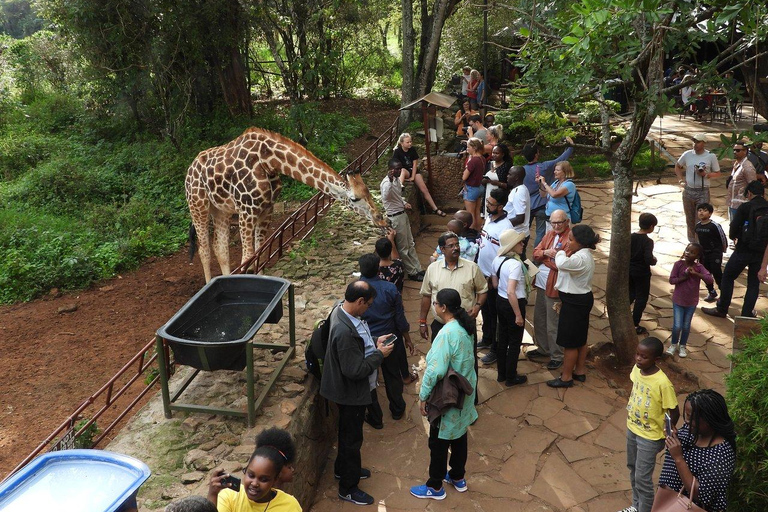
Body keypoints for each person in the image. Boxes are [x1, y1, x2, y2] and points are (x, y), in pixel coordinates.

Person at [319, 280, 395, 506]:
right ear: (360, 301)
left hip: (345, 390)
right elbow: (354, 370)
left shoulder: (342, 310)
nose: (368, 309)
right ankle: (348, 488)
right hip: (350, 394)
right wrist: (380, 355)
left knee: (347, 434)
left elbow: (359, 346)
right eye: (368, 305)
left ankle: (343, 470)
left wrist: (374, 343)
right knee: (352, 439)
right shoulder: (344, 331)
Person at [409, 288, 478, 500]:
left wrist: (423, 395)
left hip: (448, 396)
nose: (434, 306)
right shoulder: (465, 326)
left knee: (438, 441)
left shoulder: (447, 334)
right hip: (465, 391)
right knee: (459, 435)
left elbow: (436, 370)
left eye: (436, 303)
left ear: (443, 307)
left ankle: (435, 486)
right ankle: (457, 476)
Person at [622, 337, 681, 512]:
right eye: (637, 354)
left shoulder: (663, 383)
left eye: (644, 357)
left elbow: (674, 410)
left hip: (651, 437)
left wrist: (668, 431)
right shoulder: (637, 370)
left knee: (642, 478)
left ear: (656, 360)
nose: (638, 359)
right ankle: (636, 505)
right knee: (633, 468)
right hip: (633, 428)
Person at [658, 389, 737, 512]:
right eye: (687, 415)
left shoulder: (721, 456)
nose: (687, 421)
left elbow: (702, 496)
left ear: (711, 419)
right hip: (668, 500)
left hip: (687, 507)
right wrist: (673, 437)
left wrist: (679, 458)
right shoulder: (692, 430)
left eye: (693, 418)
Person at [358, 253, 412, 428]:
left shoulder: (355, 290)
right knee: (392, 375)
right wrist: (407, 338)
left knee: (369, 381)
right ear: (378, 268)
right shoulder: (389, 288)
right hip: (388, 338)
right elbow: (399, 317)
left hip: (365, 341)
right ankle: (397, 409)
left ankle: (375, 417)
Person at [703, 180, 768, 318]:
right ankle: (746, 314)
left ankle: (722, 308)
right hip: (760, 253)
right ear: (763, 193)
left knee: (728, 276)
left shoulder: (745, 207)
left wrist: (735, 237)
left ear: (749, 193)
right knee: (753, 284)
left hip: (743, 250)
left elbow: (733, 228)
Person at [547, 224, 599, 388]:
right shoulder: (585, 255)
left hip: (574, 303)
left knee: (570, 342)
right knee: (580, 338)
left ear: (580, 242)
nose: (567, 242)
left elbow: (561, 263)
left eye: (570, 239)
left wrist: (560, 250)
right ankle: (580, 370)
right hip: (580, 300)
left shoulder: (579, 258)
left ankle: (566, 377)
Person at [419, 232, 488, 343]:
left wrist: (477, 307)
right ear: (442, 249)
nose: (455, 248)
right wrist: (422, 322)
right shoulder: (432, 269)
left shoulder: (472, 267)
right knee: (441, 358)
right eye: (451, 246)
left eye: (457, 245)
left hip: (465, 323)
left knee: (467, 358)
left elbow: (483, 290)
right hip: (440, 325)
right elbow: (426, 295)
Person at [528, 209, 571, 370]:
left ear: (567, 221)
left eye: (559, 222)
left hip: (555, 286)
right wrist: (546, 253)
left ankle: (557, 355)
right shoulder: (550, 234)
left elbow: (561, 265)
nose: (556, 225)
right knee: (539, 319)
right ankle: (543, 349)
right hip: (541, 284)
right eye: (553, 222)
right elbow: (536, 253)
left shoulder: (570, 238)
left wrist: (545, 259)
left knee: (553, 324)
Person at [475, 188, 513, 365]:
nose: (487, 206)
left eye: (491, 204)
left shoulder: (506, 228)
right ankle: (487, 338)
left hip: (495, 279)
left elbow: (506, 255)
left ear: (501, 206)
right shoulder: (489, 219)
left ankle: (496, 349)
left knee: (496, 314)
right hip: (483, 274)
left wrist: (493, 276)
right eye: (487, 202)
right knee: (486, 310)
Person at [208, 445, 302, 512]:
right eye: (251, 475)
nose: (254, 483)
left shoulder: (289, 506)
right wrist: (212, 495)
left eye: (263, 479)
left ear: (275, 480)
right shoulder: (230, 496)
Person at [491, 230, 531, 386]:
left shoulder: (498, 260)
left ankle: (501, 374)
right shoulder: (515, 264)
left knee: (502, 338)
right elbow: (511, 291)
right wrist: (518, 315)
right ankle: (511, 376)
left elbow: (495, 283)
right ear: (512, 246)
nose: (523, 244)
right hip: (513, 303)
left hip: (500, 302)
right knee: (514, 342)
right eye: (520, 242)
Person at [521, 138, 574, 248]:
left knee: (523, 232)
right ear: (537, 154)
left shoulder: (522, 170)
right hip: (541, 206)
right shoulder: (544, 167)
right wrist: (570, 146)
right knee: (540, 233)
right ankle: (537, 257)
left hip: (528, 206)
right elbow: (562, 159)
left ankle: (521, 253)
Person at [380, 158, 424, 282]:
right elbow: (385, 197)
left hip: (402, 213)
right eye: (397, 169)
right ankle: (411, 272)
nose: (400, 170)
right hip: (395, 217)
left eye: (400, 168)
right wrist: (389, 180)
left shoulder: (396, 180)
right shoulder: (386, 183)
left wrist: (404, 203)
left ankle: (418, 268)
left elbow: (397, 196)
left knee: (410, 243)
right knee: (403, 247)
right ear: (390, 169)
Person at [667, 243, 713, 358]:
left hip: (691, 302)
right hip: (678, 300)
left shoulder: (699, 267)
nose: (688, 253)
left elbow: (710, 279)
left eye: (692, 252)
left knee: (686, 326)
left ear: (697, 256)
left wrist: (696, 274)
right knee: (677, 325)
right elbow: (672, 280)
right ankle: (673, 344)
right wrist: (684, 277)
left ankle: (682, 346)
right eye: (687, 250)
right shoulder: (678, 265)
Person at [674, 136, 721, 243]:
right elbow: (677, 166)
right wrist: (680, 180)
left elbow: (718, 173)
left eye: (698, 142)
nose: (695, 144)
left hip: (703, 191)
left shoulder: (710, 156)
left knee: (701, 218)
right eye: (694, 141)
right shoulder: (687, 154)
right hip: (689, 190)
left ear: (704, 143)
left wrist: (706, 174)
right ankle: (692, 242)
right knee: (689, 218)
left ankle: (700, 241)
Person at [392, 133, 445, 216]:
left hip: (413, 170)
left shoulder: (412, 150)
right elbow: (395, 165)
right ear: (402, 143)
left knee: (424, 189)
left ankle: (435, 208)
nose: (410, 143)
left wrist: (413, 177)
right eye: (407, 142)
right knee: (402, 170)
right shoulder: (397, 151)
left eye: (410, 142)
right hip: (403, 171)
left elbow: (414, 164)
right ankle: (400, 186)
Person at [629, 213, 658, 335]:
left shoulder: (630, 237)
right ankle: (634, 324)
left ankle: (623, 318)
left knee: (630, 294)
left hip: (629, 270)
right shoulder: (648, 241)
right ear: (651, 226)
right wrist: (654, 260)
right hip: (642, 273)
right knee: (641, 298)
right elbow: (648, 258)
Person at [695, 203, 727, 303]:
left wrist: (722, 250)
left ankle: (724, 295)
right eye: (699, 210)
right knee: (705, 274)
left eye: (704, 210)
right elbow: (697, 241)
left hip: (715, 253)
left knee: (717, 273)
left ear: (710, 213)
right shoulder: (697, 226)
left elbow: (723, 238)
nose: (701, 212)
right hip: (704, 254)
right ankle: (711, 291)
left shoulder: (715, 226)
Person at [537, 160, 577, 225]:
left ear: (565, 172)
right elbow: (543, 194)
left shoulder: (569, 185)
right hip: (550, 218)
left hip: (561, 221)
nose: (554, 172)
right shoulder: (556, 183)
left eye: (557, 170)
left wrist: (544, 183)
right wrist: (540, 184)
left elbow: (554, 194)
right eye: (555, 170)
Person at [725, 141, 756, 221]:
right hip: (732, 203)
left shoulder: (747, 167)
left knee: (738, 231)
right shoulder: (737, 164)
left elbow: (753, 186)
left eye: (738, 150)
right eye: (734, 150)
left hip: (741, 205)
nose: (735, 152)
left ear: (745, 151)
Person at [505, 166, 531, 258]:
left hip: (518, 234)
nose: (507, 176)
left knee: (518, 260)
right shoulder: (518, 189)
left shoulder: (519, 192)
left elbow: (520, 218)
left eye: (510, 174)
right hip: (517, 233)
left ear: (516, 177)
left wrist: (502, 224)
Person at [461, 137, 486, 231]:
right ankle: (478, 231)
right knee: (477, 212)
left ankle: (471, 233)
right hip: (479, 187)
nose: (467, 149)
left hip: (471, 188)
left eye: (468, 147)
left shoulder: (473, 161)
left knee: (470, 214)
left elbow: (464, 177)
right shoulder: (482, 158)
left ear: (474, 148)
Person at [481, 143, 512, 212]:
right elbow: (482, 179)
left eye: (496, 153)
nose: (493, 155)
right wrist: (484, 181)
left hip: (501, 196)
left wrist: (496, 183)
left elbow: (509, 185)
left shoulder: (507, 166)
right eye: (493, 153)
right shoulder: (489, 164)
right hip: (488, 194)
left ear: (503, 154)